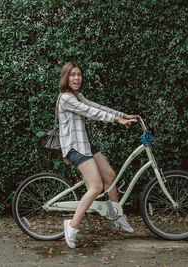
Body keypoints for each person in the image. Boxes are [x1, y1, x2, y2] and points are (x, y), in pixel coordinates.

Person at [57, 62, 137, 249]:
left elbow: (95, 105)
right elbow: (90, 112)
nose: (77, 78)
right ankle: (72, 225)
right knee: (96, 186)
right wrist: (116, 120)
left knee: (109, 176)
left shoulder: (78, 95)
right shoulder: (66, 98)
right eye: (72, 75)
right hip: (74, 148)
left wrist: (122, 114)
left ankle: (117, 216)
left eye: (79, 75)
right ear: (66, 77)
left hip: (85, 144)